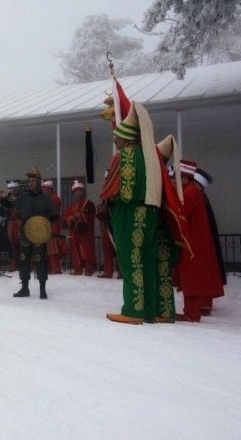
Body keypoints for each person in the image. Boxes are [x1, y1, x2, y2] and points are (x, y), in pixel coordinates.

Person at [101, 101, 163, 324]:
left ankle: (133, 310)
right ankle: (150, 310)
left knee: (130, 260)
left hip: (128, 213)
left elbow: (118, 190)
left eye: (116, 137)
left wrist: (107, 198)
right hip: (149, 212)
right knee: (146, 261)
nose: (115, 140)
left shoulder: (124, 156)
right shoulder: (149, 155)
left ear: (124, 138)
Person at [0, 167, 59, 299]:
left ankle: (43, 289)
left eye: (34, 180)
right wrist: (2, 198)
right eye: (30, 180)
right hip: (25, 232)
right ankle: (24, 288)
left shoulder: (46, 198)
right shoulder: (24, 197)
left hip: (39, 234)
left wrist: (44, 226)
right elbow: (11, 205)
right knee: (23, 259)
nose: (31, 182)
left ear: (38, 182)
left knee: (39, 259)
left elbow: (54, 214)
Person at [175, 160, 225, 322]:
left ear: (185, 178)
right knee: (195, 277)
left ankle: (191, 313)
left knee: (192, 278)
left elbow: (180, 214)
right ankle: (193, 311)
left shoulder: (189, 193)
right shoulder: (193, 192)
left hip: (193, 243)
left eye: (178, 177)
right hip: (197, 241)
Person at [193, 167, 227, 315]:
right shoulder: (202, 198)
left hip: (203, 242)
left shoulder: (199, 198)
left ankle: (204, 304)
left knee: (204, 273)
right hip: (205, 241)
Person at [63, 180, 96, 276]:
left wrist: (80, 215)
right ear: (73, 193)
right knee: (75, 250)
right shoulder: (70, 206)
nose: (78, 192)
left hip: (86, 232)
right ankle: (78, 269)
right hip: (74, 232)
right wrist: (71, 218)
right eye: (76, 191)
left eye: (80, 190)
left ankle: (89, 269)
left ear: (83, 191)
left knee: (87, 249)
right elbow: (66, 216)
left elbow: (91, 216)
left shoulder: (89, 203)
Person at [41, 179, 64, 274]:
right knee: (46, 248)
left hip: (52, 225)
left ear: (50, 189)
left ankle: (56, 268)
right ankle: (49, 268)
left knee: (53, 247)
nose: (43, 191)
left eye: (45, 190)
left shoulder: (55, 198)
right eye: (42, 190)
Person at [5, 180, 22, 272]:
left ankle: (23, 265)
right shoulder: (6, 200)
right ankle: (13, 265)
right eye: (11, 189)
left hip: (20, 223)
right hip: (10, 224)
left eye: (14, 189)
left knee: (22, 244)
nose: (12, 191)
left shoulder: (22, 198)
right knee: (11, 245)